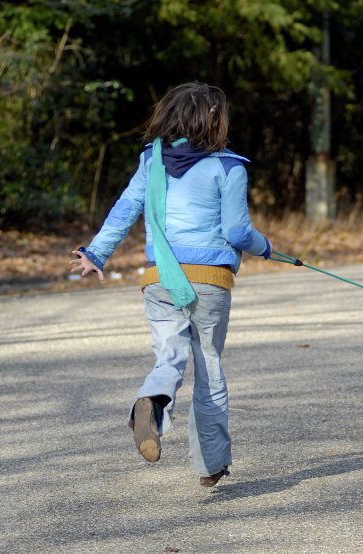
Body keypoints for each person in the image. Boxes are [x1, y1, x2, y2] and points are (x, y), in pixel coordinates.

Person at [69, 82, 271, 487]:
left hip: (159, 279)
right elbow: (236, 230)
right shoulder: (229, 166)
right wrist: (265, 247)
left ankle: (153, 403)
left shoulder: (152, 161)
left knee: (169, 357)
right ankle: (210, 464)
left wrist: (95, 253)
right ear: (215, 120)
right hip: (210, 282)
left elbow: (126, 208)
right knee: (209, 367)